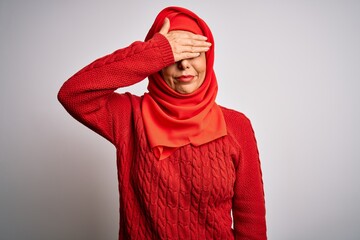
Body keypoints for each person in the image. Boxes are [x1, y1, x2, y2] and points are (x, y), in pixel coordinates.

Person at [58, 6, 267, 240]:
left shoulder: (237, 126)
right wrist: (154, 52)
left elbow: (251, 222)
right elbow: (73, 94)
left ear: (208, 58)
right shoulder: (129, 116)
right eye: (176, 54)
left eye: (194, 52)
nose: (184, 64)